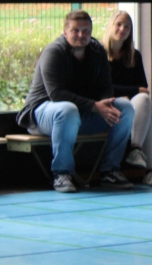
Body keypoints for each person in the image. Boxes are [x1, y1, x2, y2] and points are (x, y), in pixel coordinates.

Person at [17, 10, 136, 192]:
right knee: (67, 110)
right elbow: (56, 94)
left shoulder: (97, 51)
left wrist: (105, 104)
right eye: (75, 30)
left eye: (86, 31)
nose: (81, 35)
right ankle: (62, 173)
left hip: (80, 114)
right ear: (65, 32)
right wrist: (95, 106)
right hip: (42, 114)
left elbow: (106, 86)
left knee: (125, 108)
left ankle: (110, 170)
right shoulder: (54, 52)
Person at [103, 10, 152, 187]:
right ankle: (149, 168)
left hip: (131, 104)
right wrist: (132, 91)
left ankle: (138, 152)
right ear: (111, 26)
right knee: (148, 112)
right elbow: (105, 88)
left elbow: (143, 89)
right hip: (109, 106)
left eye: (127, 27)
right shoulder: (100, 53)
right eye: (119, 24)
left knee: (149, 110)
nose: (122, 29)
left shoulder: (134, 55)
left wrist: (131, 92)